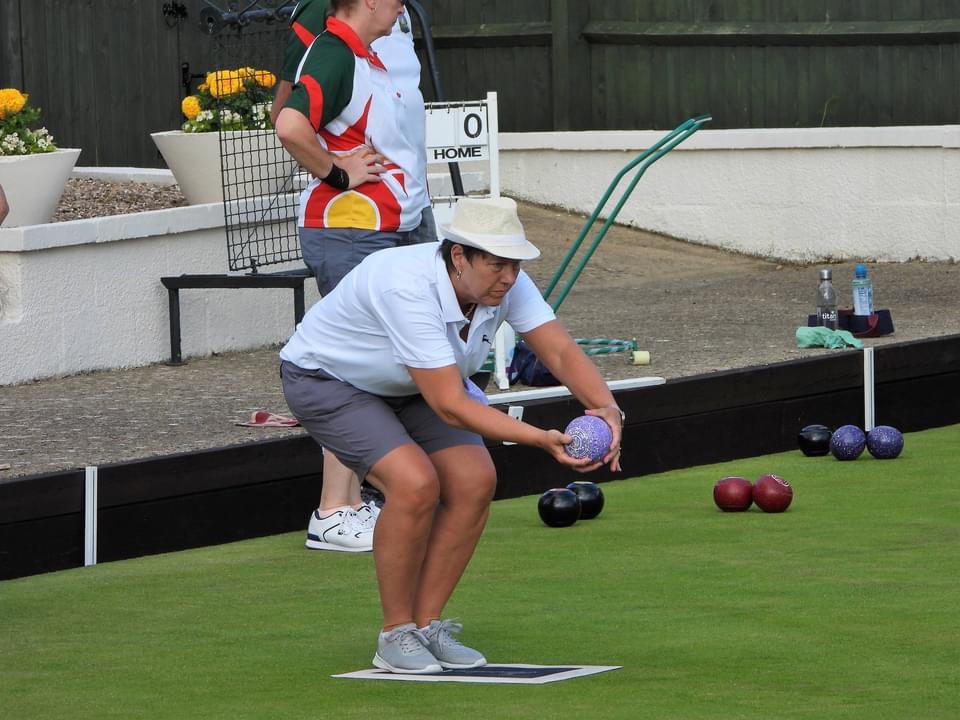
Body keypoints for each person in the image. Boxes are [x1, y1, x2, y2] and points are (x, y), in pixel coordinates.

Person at [279, 196, 625, 673]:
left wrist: (606, 408)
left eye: (515, 265)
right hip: (328, 381)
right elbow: (449, 404)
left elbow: (561, 352)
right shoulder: (406, 285)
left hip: (410, 385)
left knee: (474, 480)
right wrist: (541, 439)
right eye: (497, 264)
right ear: (458, 256)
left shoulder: (506, 285)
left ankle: (427, 626)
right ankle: (394, 633)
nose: (508, 276)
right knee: (415, 482)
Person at [275, 0, 435, 552]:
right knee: (352, 365)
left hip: (386, 225)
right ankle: (333, 511)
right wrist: (338, 171)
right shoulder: (336, 52)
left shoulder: (367, 54)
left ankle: (360, 498)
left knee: (384, 360)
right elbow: (290, 123)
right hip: (350, 229)